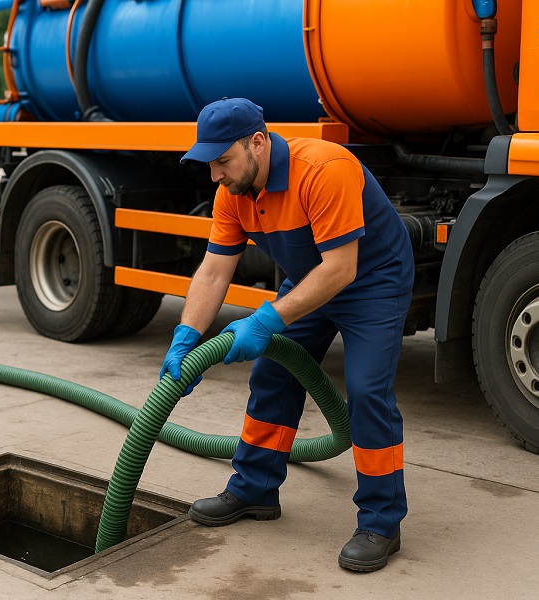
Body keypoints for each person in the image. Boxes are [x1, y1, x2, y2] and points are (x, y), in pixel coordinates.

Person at [161, 98, 414, 572]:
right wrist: (186, 336)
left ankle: (381, 522)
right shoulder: (233, 190)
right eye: (209, 164)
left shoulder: (323, 169)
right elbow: (214, 271)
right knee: (273, 374)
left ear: (257, 143)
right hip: (310, 277)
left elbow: (341, 269)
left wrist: (264, 321)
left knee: (366, 392)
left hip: (372, 281)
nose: (215, 175)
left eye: (222, 161)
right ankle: (255, 489)